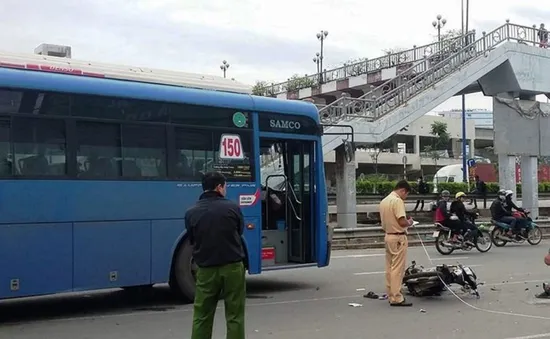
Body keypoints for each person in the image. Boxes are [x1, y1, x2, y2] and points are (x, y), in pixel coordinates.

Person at [186, 172, 246, 339]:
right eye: (225, 186)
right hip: (233, 268)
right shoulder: (232, 208)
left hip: (206, 270)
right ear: (219, 187)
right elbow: (239, 231)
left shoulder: (191, 212)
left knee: (202, 316)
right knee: (235, 316)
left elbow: (192, 239)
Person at [380, 180, 414, 307]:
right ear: (403, 191)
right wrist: (410, 222)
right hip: (398, 237)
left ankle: (390, 293)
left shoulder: (384, 201)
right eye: (406, 195)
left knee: (389, 267)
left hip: (388, 235)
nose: (405, 197)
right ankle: (396, 297)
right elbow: (402, 221)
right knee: (398, 269)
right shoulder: (397, 201)